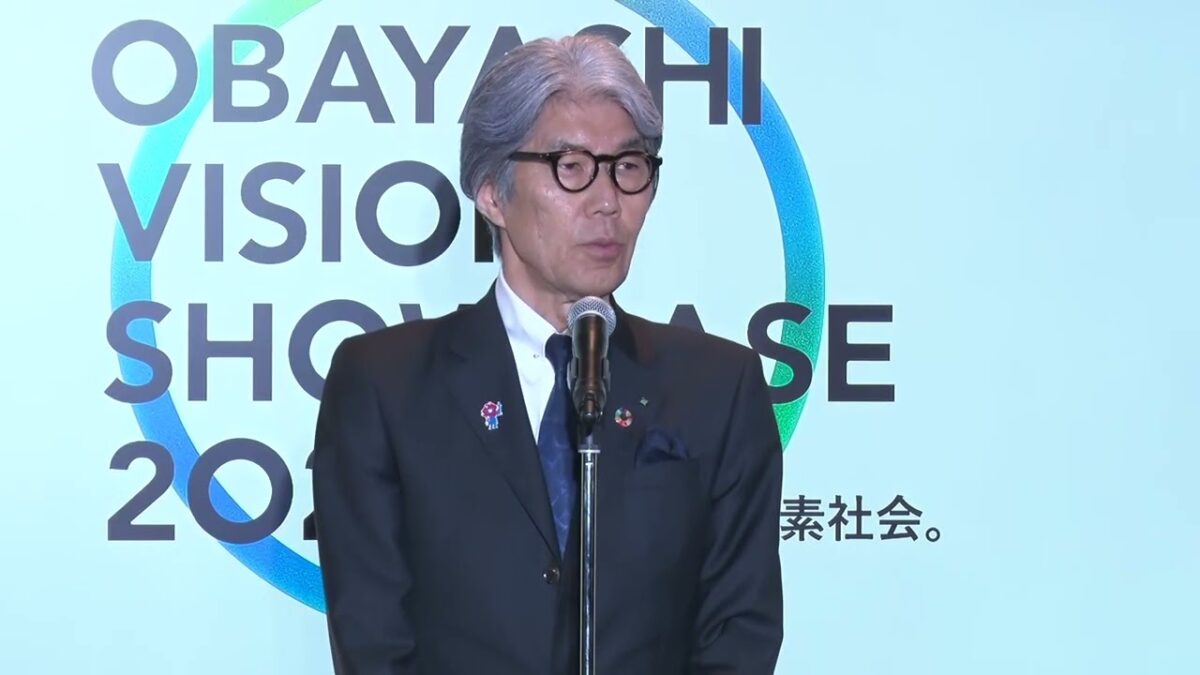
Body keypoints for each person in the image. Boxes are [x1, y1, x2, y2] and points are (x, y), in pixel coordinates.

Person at [312, 34, 783, 674]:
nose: (607, 202)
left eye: (628, 166)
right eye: (571, 167)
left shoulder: (718, 389)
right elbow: (373, 644)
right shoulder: (385, 386)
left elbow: (739, 631)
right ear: (492, 193)